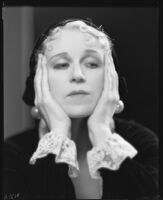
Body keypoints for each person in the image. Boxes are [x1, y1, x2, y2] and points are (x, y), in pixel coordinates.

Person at [4, 18, 159, 200]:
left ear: (111, 77)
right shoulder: (10, 156)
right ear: (39, 80)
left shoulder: (144, 146)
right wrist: (58, 133)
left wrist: (101, 132)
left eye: (92, 64)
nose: (78, 75)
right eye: (62, 64)